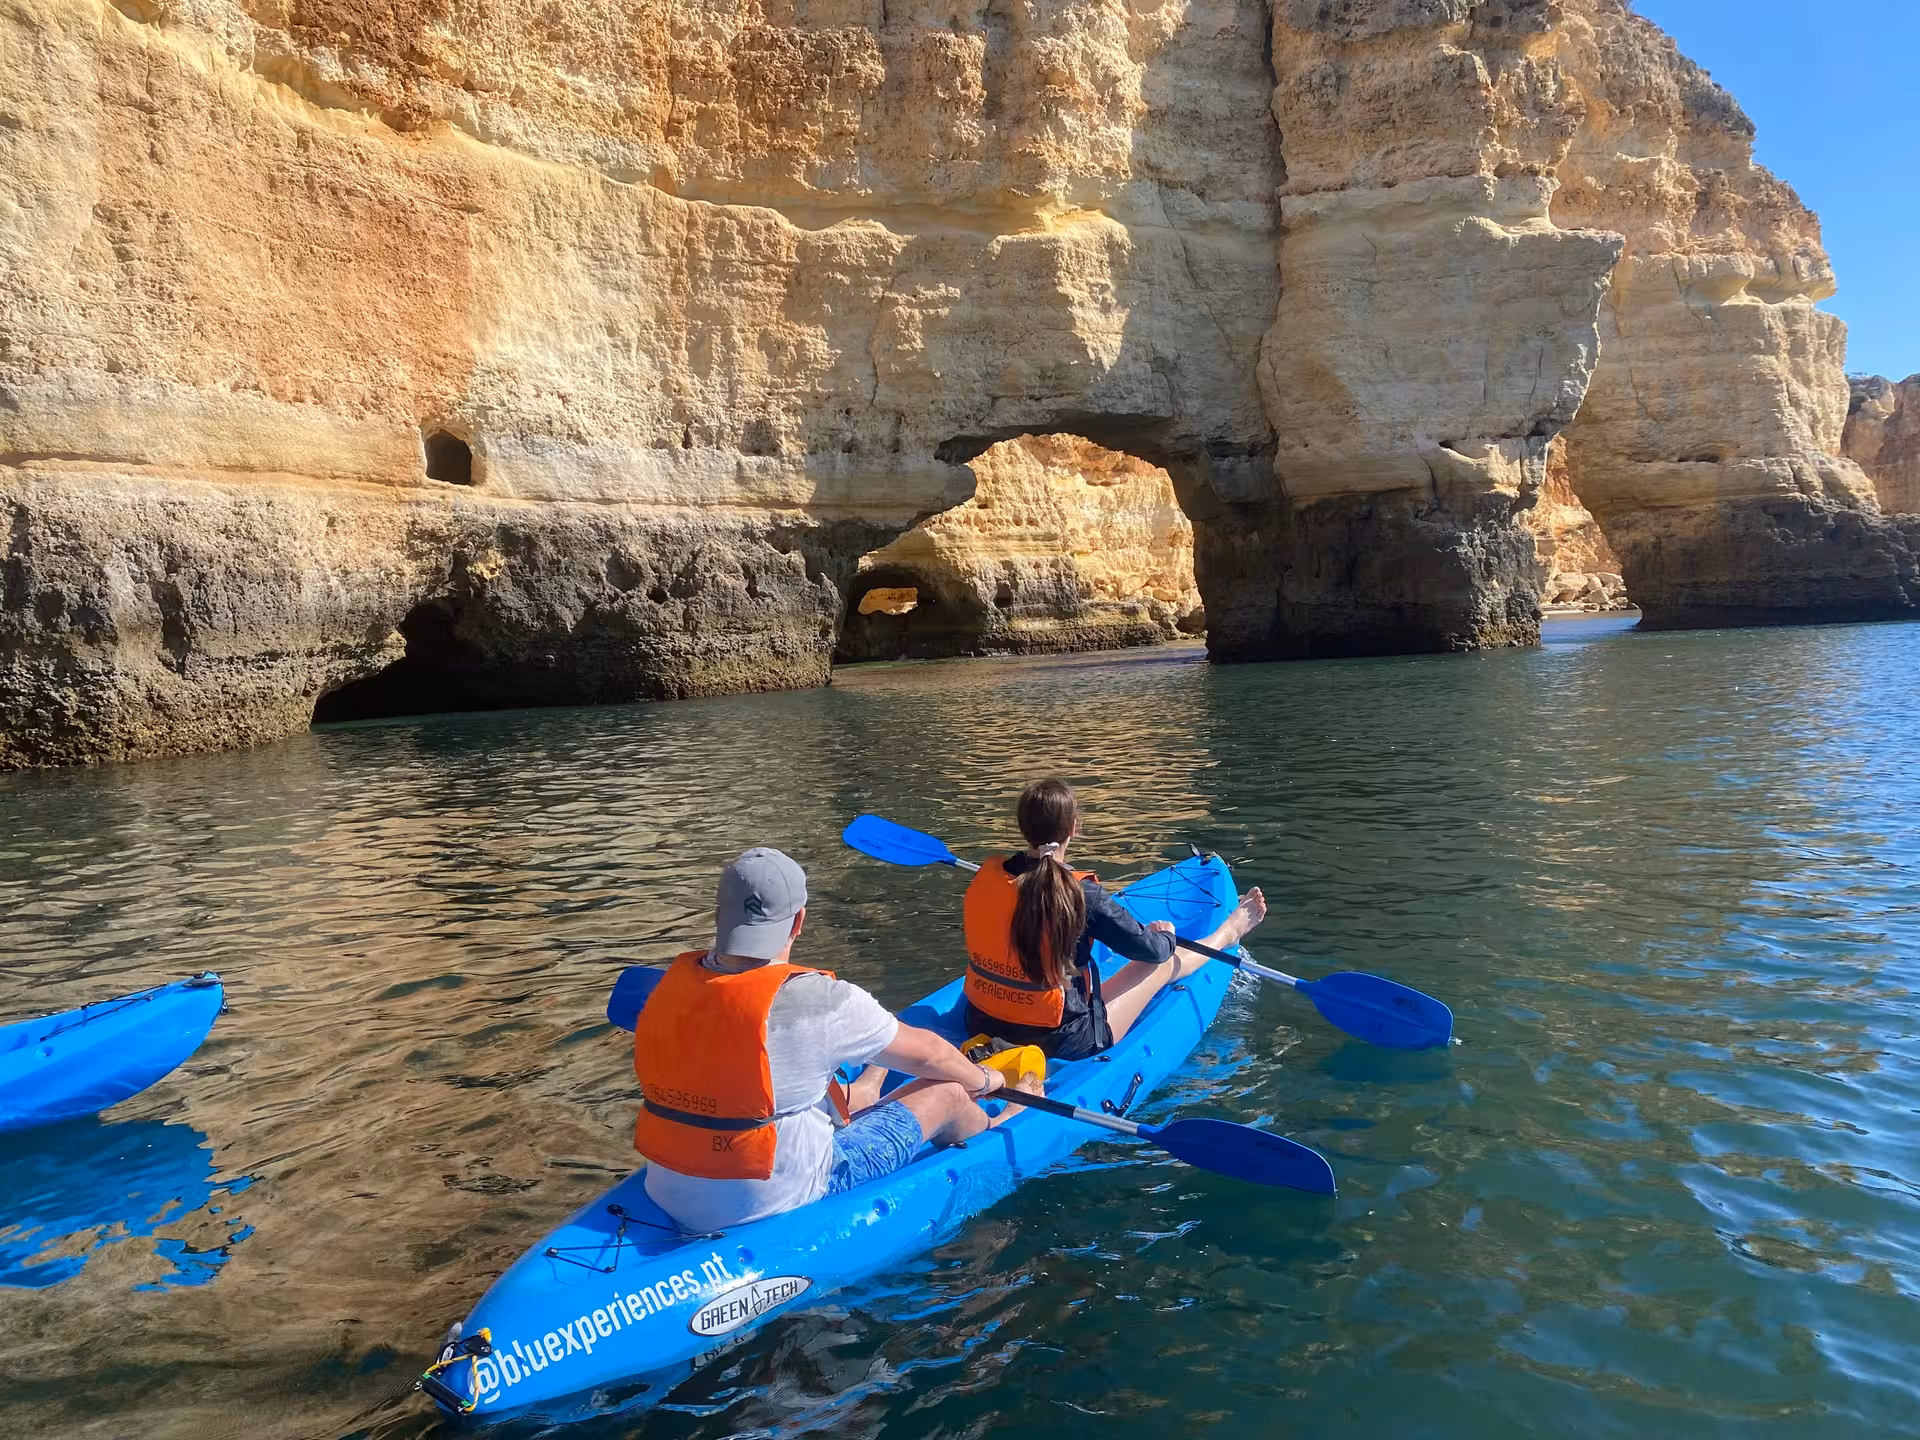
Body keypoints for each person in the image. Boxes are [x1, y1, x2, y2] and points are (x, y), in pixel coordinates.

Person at [633, 846, 1035, 1233]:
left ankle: (866, 1088)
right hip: (780, 1197)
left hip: (669, 1190)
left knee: (833, 1078)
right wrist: (986, 1081)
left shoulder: (668, 986)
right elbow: (932, 1055)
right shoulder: (820, 999)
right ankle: (998, 1123)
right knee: (948, 1090)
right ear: (798, 921)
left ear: (719, 914)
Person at [961, 778, 1266, 1060]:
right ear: (1074, 828)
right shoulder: (1083, 895)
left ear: (1022, 827)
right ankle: (1228, 933)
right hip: (1062, 1041)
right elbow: (1153, 951)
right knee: (1159, 964)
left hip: (980, 1020)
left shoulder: (988, 877)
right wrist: (1166, 934)